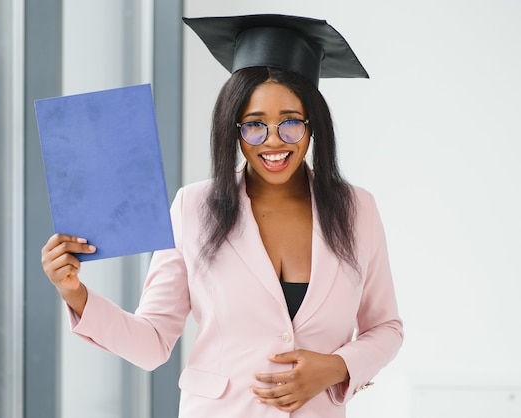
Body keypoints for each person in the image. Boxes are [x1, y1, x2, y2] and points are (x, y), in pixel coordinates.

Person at [41, 14, 403, 418]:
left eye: (290, 124)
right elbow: (153, 340)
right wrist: (76, 293)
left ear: (312, 125)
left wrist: (337, 366)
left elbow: (385, 328)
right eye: (254, 125)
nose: (272, 141)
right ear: (233, 129)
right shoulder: (193, 207)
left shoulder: (357, 209)